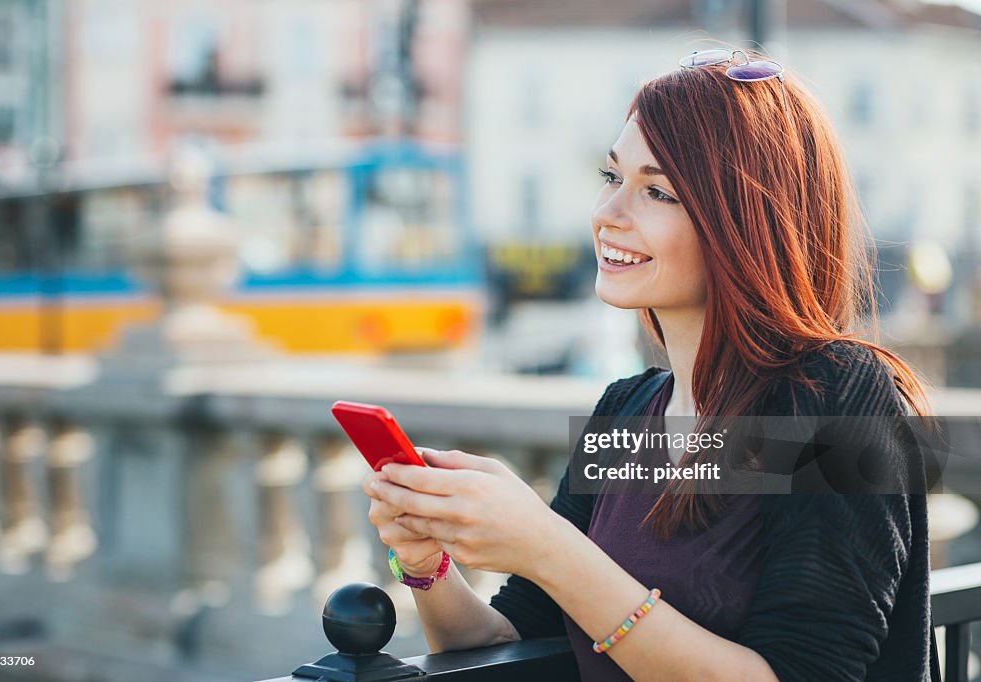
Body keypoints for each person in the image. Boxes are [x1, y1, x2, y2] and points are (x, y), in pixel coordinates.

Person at [362, 47, 939, 681]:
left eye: (657, 191)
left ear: (745, 222)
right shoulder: (628, 410)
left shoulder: (838, 396)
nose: (607, 215)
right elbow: (514, 641)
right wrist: (424, 562)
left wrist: (546, 546)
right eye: (613, 177)